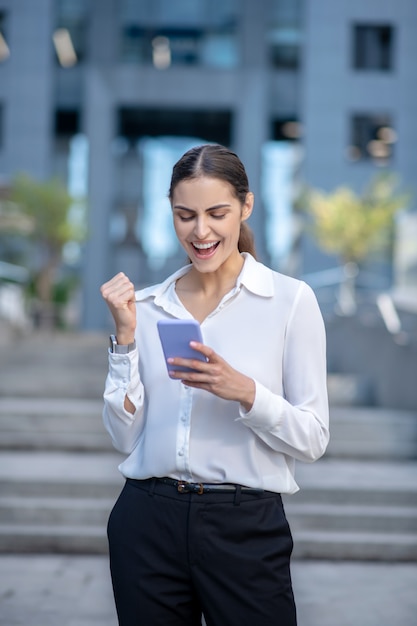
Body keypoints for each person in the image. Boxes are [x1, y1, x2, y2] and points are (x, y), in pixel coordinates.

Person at [100, 143, 329, 626]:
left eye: (216, 213)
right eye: (185, 215)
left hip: (245, 526)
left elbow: (312, 440)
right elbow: (124, 436)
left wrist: (245, 391)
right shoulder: (147, 307)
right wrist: (124, 338)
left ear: (246, 207)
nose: (200, 232)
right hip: (147, 521)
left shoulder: (289, 301)